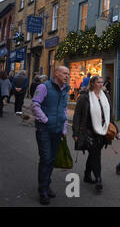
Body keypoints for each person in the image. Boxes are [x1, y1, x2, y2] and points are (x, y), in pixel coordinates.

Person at [30, 66, 71, 205]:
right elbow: (35, 105)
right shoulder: (43, 87)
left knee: (52, 159)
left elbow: (64, 109)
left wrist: (64, 128)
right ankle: (42, 191)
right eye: (64, 73)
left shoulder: (66, 89)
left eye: (68, 74)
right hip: (44, 130)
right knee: (46, 159)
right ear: (56, 73)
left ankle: (47, 185)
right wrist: (46, 120)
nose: (67, 76)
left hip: (58, 130)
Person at [72, 75, 117, 193]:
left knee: (94, 154)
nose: (101, 84)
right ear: (92, 84)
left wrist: (114, 127)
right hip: (88, 131)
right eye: (98, 82)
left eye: (102, 82)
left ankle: (87, 175)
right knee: (96, 154)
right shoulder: (84, 97)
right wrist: (75, 132)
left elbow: (109, 112)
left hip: (103, 130)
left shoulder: (105, 96)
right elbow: (77, 115)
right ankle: (98, 179)